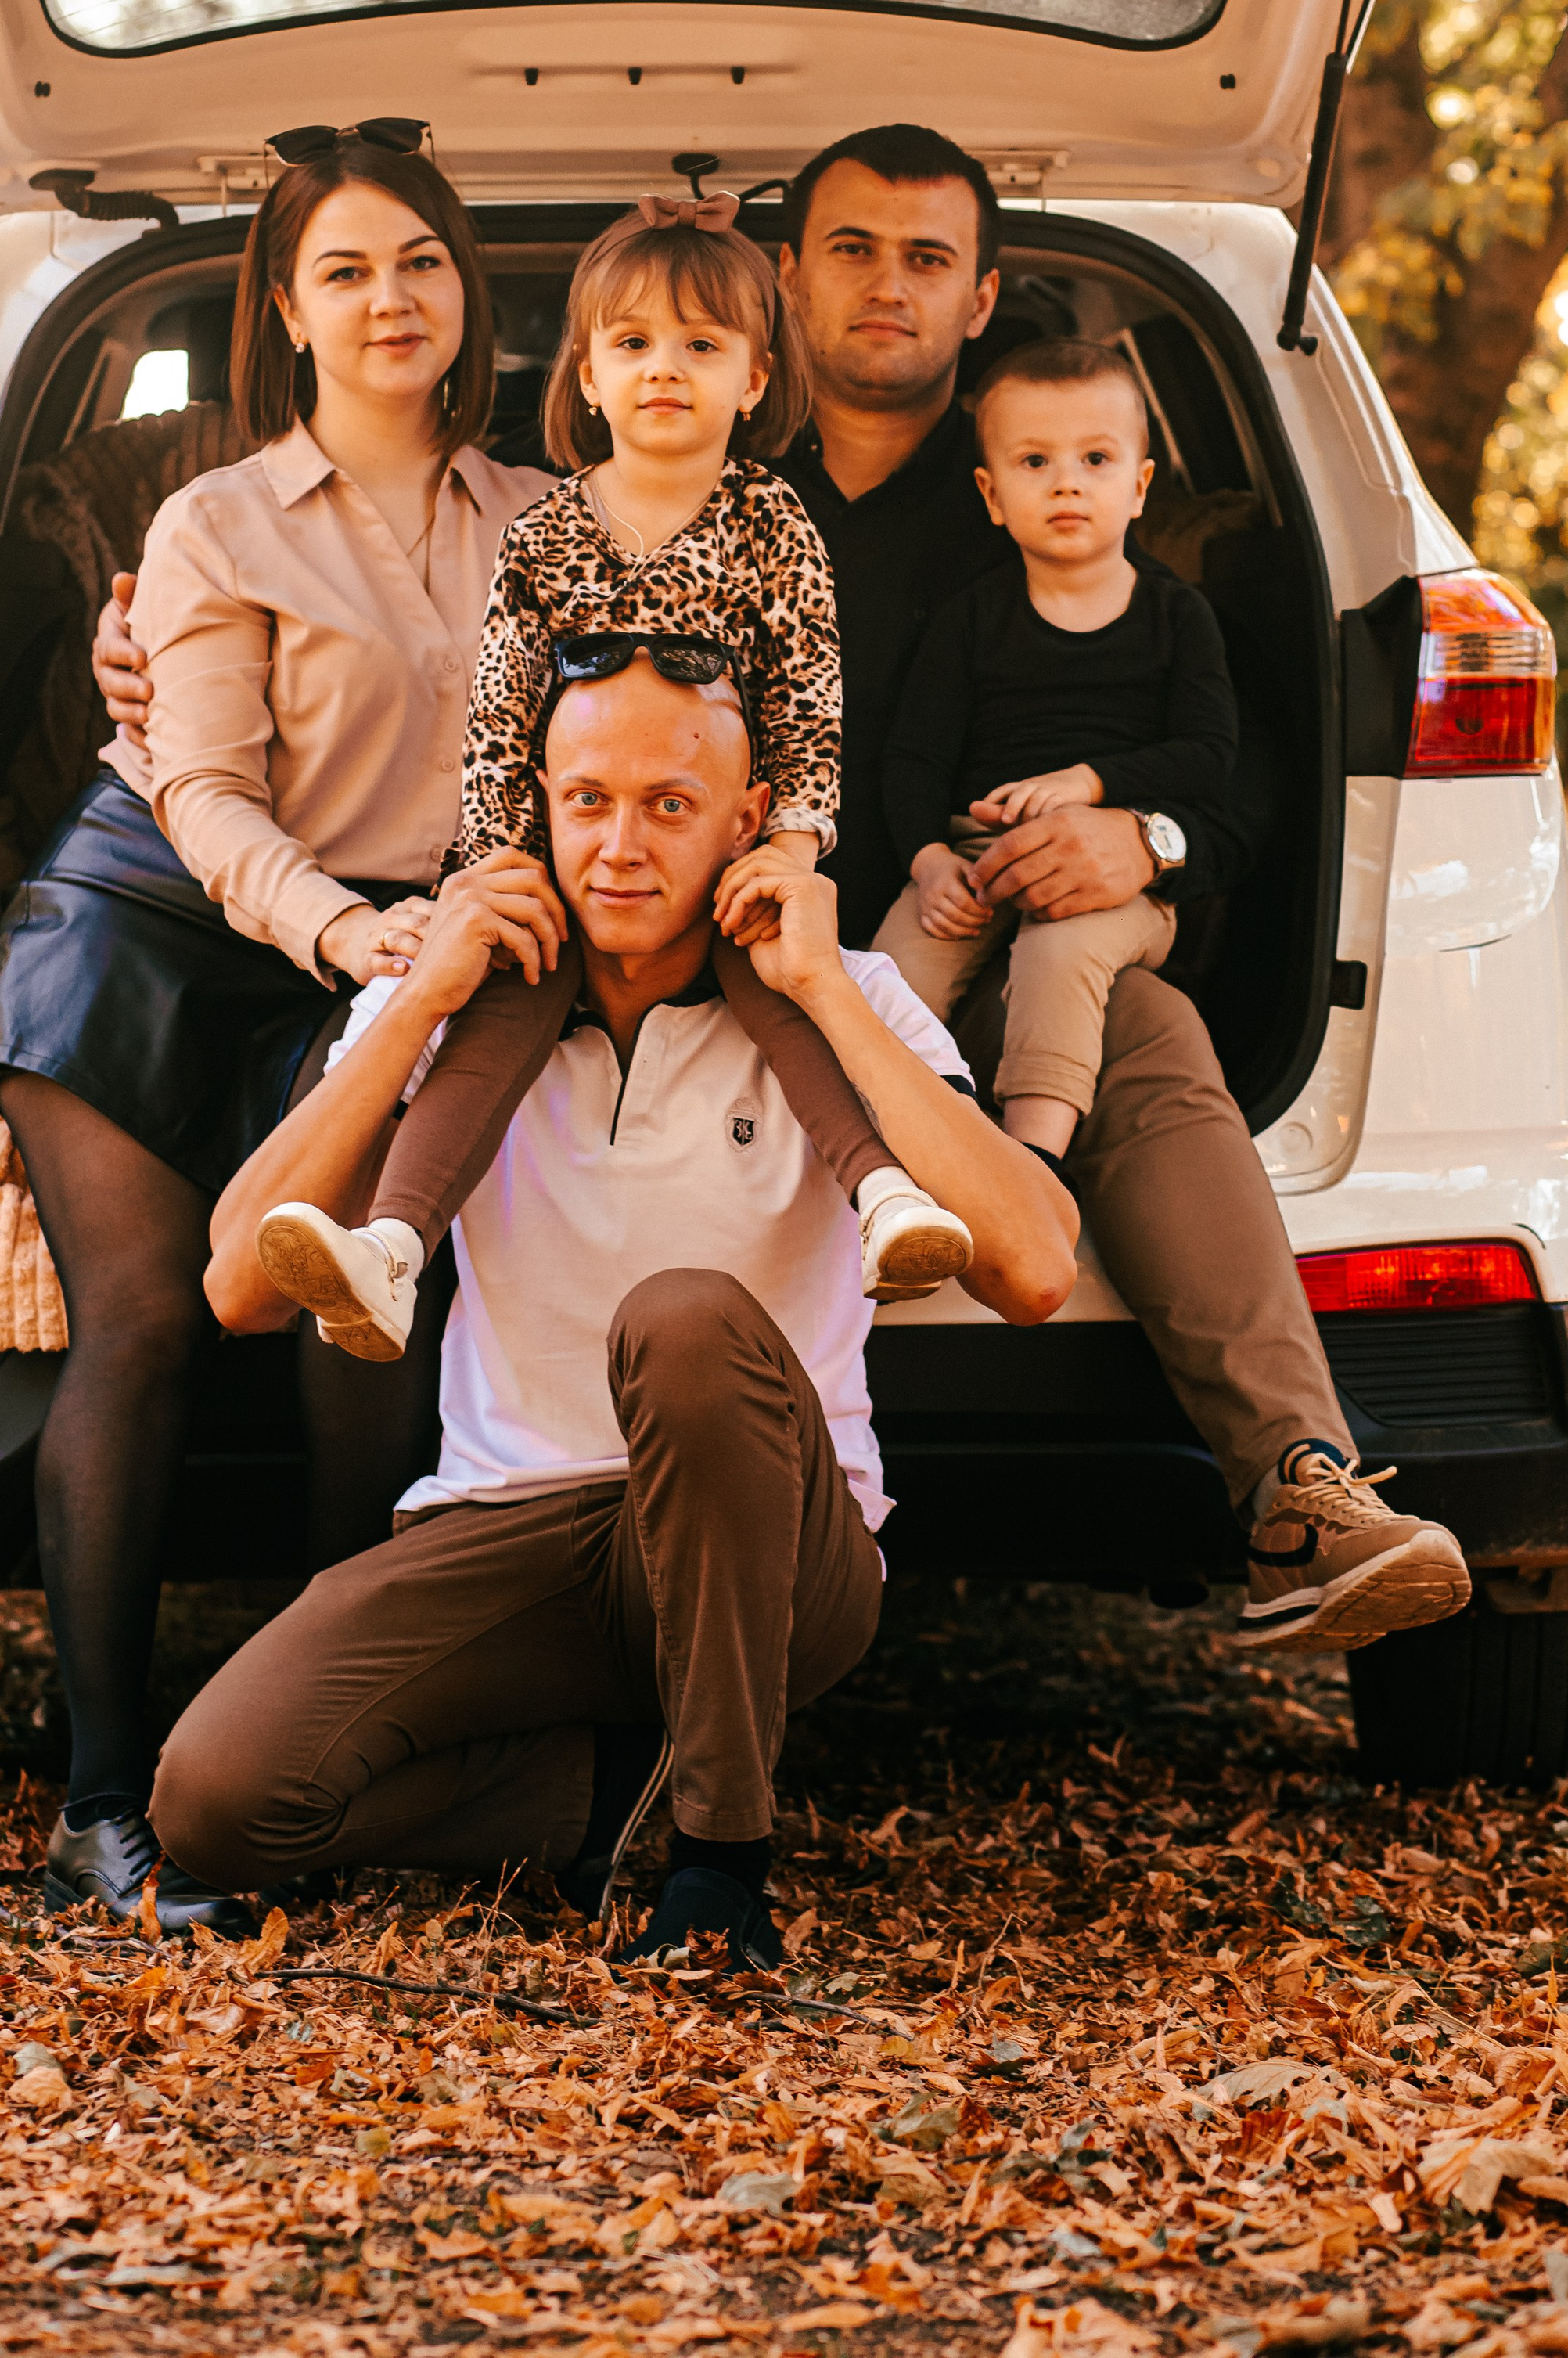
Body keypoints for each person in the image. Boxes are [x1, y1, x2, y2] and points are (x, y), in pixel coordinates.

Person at [95, 122, 1473, 1655]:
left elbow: (1249, 755)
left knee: (1140, 1031)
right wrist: (148, 646)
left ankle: (1300, 1487)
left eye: (927, 257)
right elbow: (469, 652)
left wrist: (1141, 837)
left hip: (944, 942)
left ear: (977, 292)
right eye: (850, 251)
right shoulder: (654, 485)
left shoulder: (1041, 480)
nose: (886, 287)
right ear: (787, 289)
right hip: (660, 928)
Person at [150, 649, 1077, 1964]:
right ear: (535, 809)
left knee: (685, 1319)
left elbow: (1035, 1265)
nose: (620, 848)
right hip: (518, 1521)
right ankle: (617, 1797)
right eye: (585, 802)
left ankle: (719, 1862)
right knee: (218, 1800)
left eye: (669, 805)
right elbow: (239, 1284)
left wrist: (820, 984)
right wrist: (415, 994)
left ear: (747, 825)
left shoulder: (847, 999)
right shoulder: (455, 1010)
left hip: (774, 1539)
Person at [0, 123, 556, 1935]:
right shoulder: (212, 521)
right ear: (289, 311)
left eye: (416, 259)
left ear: (464, 291)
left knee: (351, 1314)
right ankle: (97, 1807)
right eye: (342, 268)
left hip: (395, 956)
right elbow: (206, 792)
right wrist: (350, 933)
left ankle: (317, 1755)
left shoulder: (543, 516)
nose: (386, 297)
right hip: (152, 925)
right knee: (149, 1316)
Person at [250, 193, 969, 1370]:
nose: (664, 372)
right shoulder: (546, 531)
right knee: (498, 1005)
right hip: (560, 866)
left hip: (723, 860)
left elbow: (806, 698)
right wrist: (496, 865)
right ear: (586, 377)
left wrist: (789, 843)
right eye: (632, 345)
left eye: (701, 346)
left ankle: (886, 1196)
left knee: (784, 995)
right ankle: (391, 1243)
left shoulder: (772, 521)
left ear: (755, 378)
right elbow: (498, 716)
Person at [876, 333, 1237, 1161]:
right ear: (992, 494)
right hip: (976, 855)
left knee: (1060, 954)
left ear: (1140, 487)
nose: (1067, 481)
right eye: (1034, 462)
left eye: (1097, 459)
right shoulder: (971, 618)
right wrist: (929, 861)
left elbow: (1209, 754)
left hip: (1122, 879)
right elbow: (913, 760)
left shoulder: (1177, 618)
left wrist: (1092, 783)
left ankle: (1030, 1163)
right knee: (892, 975)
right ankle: (893, 1165)